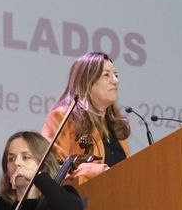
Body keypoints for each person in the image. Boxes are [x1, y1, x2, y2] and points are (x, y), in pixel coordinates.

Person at [41, 52, 132, 182]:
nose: (116, 81)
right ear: (87, 81)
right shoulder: (63, 117)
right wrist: (94, 171)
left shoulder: (115, 126)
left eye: (116, 75)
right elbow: (52, 167)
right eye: (107, 75)